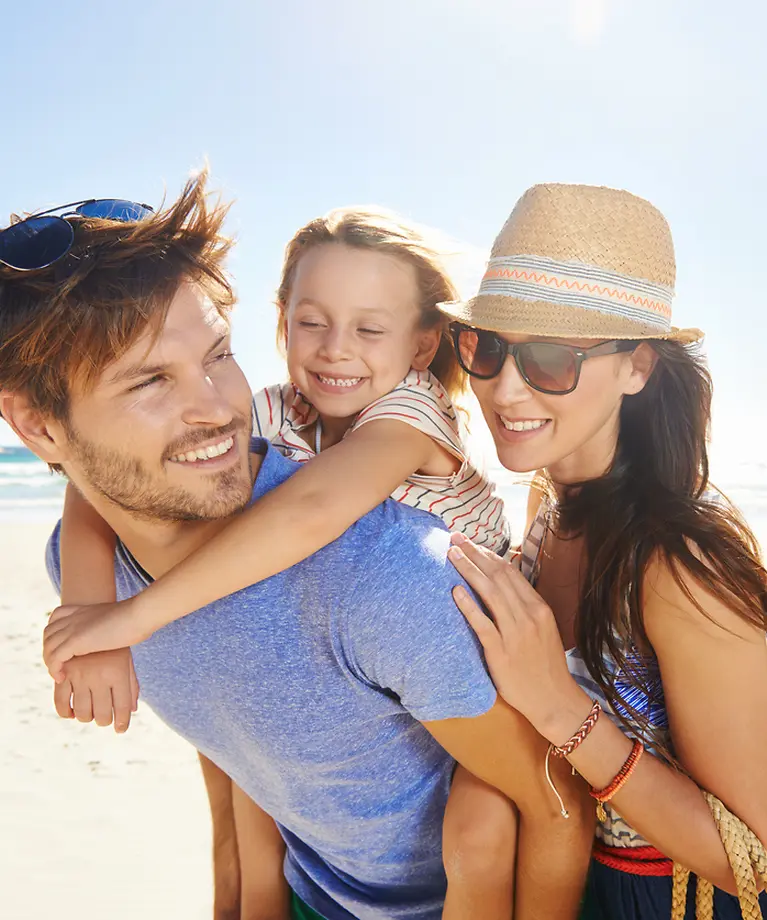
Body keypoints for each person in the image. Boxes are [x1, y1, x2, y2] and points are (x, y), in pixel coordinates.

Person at [0, 175, 593, 920]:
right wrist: (90, 606)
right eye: (151, 379)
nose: (217, 407)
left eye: (218, 354)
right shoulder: (281, 419)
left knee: (477, 827)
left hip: (486, 753)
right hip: (319, 893)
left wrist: (125, 619)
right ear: (37, 427)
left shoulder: (391, 561)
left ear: (421, 343)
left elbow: (312, 512)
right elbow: (235, 761)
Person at [436, 183, 767, 919]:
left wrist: (561, 713)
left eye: (551, 358)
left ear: (637, 368)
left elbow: (754, 859)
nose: (505, 388)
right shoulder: (545, 509)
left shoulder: (679, 564)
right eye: (486, 348)